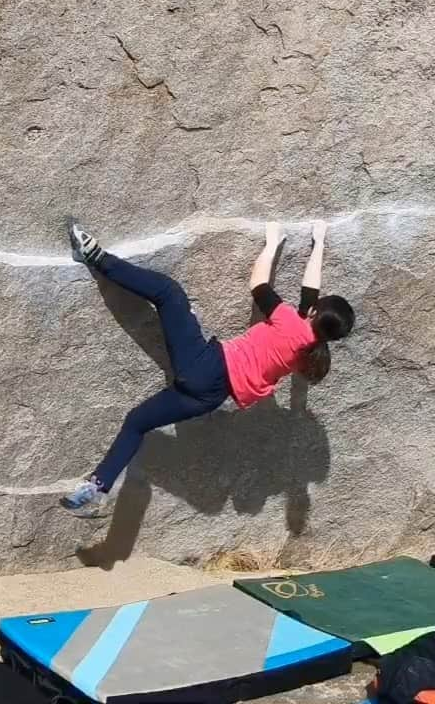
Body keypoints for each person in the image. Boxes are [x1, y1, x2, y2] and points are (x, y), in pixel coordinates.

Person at [60, 218, 355, 515]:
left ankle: (94, 256)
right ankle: (96, 489)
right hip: (211, 396)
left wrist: (271, 243)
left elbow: (259, 284)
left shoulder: (289, 322)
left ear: (314, 313)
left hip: (207, 366)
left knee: (169, 293)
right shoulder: (310, 352)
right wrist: (319, 241)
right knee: (137, 421)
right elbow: (311, 294)